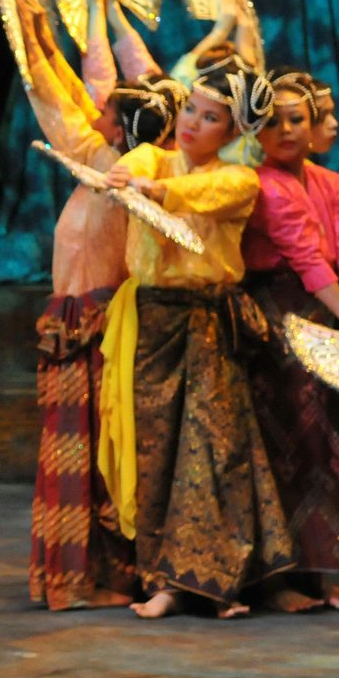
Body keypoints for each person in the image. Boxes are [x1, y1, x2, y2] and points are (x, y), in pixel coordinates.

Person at [96, 54, 294, 619]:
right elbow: (135, 171)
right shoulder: (150, 157)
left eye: (211, 119)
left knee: (211, 449)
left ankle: (213, 580)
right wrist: (123, 180)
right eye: (191, 110)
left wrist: (148, 190)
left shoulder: (236, 180)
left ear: (233, 133)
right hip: (152, 323)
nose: (192, 124)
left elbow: (191, 198)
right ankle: (163, 580)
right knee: (155, 453)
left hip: (207, 323)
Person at [13, 0, 181, 610]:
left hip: (101, 322)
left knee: (99, 444)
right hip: (85, 315)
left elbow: (59, 100)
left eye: (106, 111)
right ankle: (84, 573)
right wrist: (75, 24)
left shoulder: (125, 167)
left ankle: (98, 573)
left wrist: (35, 39)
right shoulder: (116, 152)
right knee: (86, 441)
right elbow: (102, 81)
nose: (95, 112)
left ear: (124, 127)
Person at [241, 70, 339, 609]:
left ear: (312, 126)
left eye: (296, 120)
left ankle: (321, 570)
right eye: (272, 122)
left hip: (327, 313)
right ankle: (280, 578)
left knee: (334, 441)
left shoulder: (331, 184)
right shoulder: (261, 185)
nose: (285, 130)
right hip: (279, 319)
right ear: (255, 132)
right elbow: (306, 259)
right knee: (292, 442)